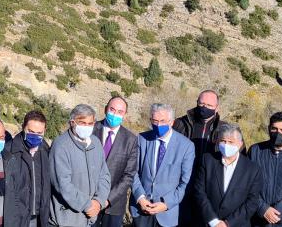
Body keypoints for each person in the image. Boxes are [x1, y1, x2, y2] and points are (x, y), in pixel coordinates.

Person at [129, 103, 195, 227]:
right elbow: (133, 171)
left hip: (167, 213)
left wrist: (166, 204)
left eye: (163, 121)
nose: (158, 125)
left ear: (172, 122)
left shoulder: (186, 146)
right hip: (141, 209)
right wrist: (141, 198)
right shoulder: (141, 139)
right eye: (155, 121)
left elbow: (185, 183)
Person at [50, 104, 111, 227]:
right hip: (66, 219)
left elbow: (104, 175)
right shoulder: (61, 146)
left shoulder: (96, 143)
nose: (87, 127)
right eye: (82, 122)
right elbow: (62, 184)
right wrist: (87, 205)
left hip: (91, 217)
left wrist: (98, 202)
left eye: (90, 123)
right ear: (72, 122)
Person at [192, 123, 264, 227]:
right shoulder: (207, 160)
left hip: (237, 224)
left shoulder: (252, 169)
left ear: (240, 144)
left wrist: (228, 223)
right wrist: (213, 221)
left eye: (231, 142)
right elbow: (199, 191)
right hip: (208, 222)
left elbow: (252, 201)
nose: (226, 145)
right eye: (223, 141)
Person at [173, 89, 228, 226]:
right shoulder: (179, 124)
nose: (204, 108)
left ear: (217, 107)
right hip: (181, 185)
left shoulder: (226, 129)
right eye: (201, 103)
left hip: (209, 189)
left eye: (209, 106)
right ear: (197, 102)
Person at [92, 97, 138, 227]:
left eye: (120, 111)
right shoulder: (91, 130)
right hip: (89, 201)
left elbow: (129, 175)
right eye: (112, 110)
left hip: (113, 205)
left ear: (124, 115)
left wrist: (107, 200)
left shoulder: (131, 140)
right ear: (106, 109)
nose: (115, 114)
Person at [10, 110, 52, 227]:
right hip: (18, 217)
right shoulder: (10, 152)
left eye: (39, 133)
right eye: (31, 131)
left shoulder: (47, 151)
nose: (35, 136)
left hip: (40, 216)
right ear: (23, 128)